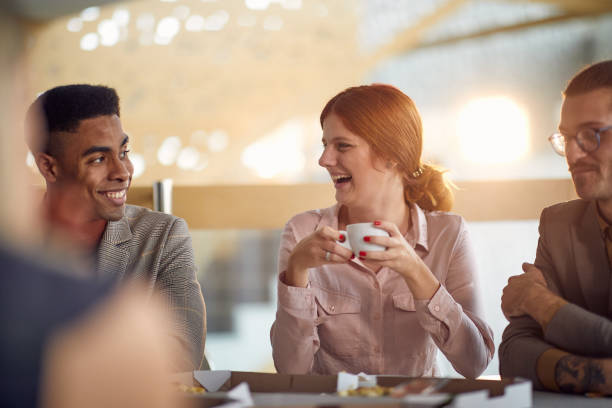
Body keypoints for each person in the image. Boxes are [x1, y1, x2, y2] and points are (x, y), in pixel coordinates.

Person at [270, 84, 494, 377]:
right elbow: (291, 373)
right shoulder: (303, 232)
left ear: (391, 155)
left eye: (342, 145)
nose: (324, 159)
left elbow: (474, 364)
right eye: (325, 144)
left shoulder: (448, 234)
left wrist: (416, 271)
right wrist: (296, 271)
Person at [25, 84, 206, 371]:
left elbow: (180, 355)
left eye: (123, 152)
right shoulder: (15, 244)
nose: (123, 172)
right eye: (98, 159)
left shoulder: (163, 235)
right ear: (49, 168)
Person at [499, 60, 612, 395]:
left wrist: (540, 302)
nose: (573, 154)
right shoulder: (559, 223)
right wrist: (598, 374)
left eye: (591, 135)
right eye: (566, 137)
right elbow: (513, 351)